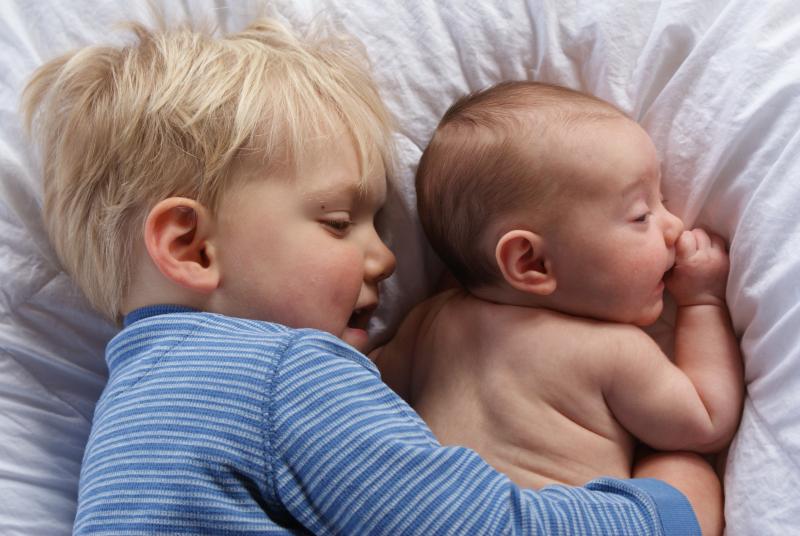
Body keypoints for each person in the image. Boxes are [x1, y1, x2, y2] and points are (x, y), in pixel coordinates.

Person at [23, 17, 713, 534]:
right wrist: (668, 505)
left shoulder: (125, 412)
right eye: (336, 221)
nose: (385, 259)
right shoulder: (284, 374)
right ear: (193, 247)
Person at [376, 81, 744, 534]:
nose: (674, 226)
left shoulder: (430, 322)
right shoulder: (613, 350)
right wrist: (703, 300)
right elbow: (707, 420)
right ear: (531, 262)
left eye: (662, 202)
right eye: (641, 215)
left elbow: (368, 386)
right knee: (685, 468)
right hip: (555, 523)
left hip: (434, 520)